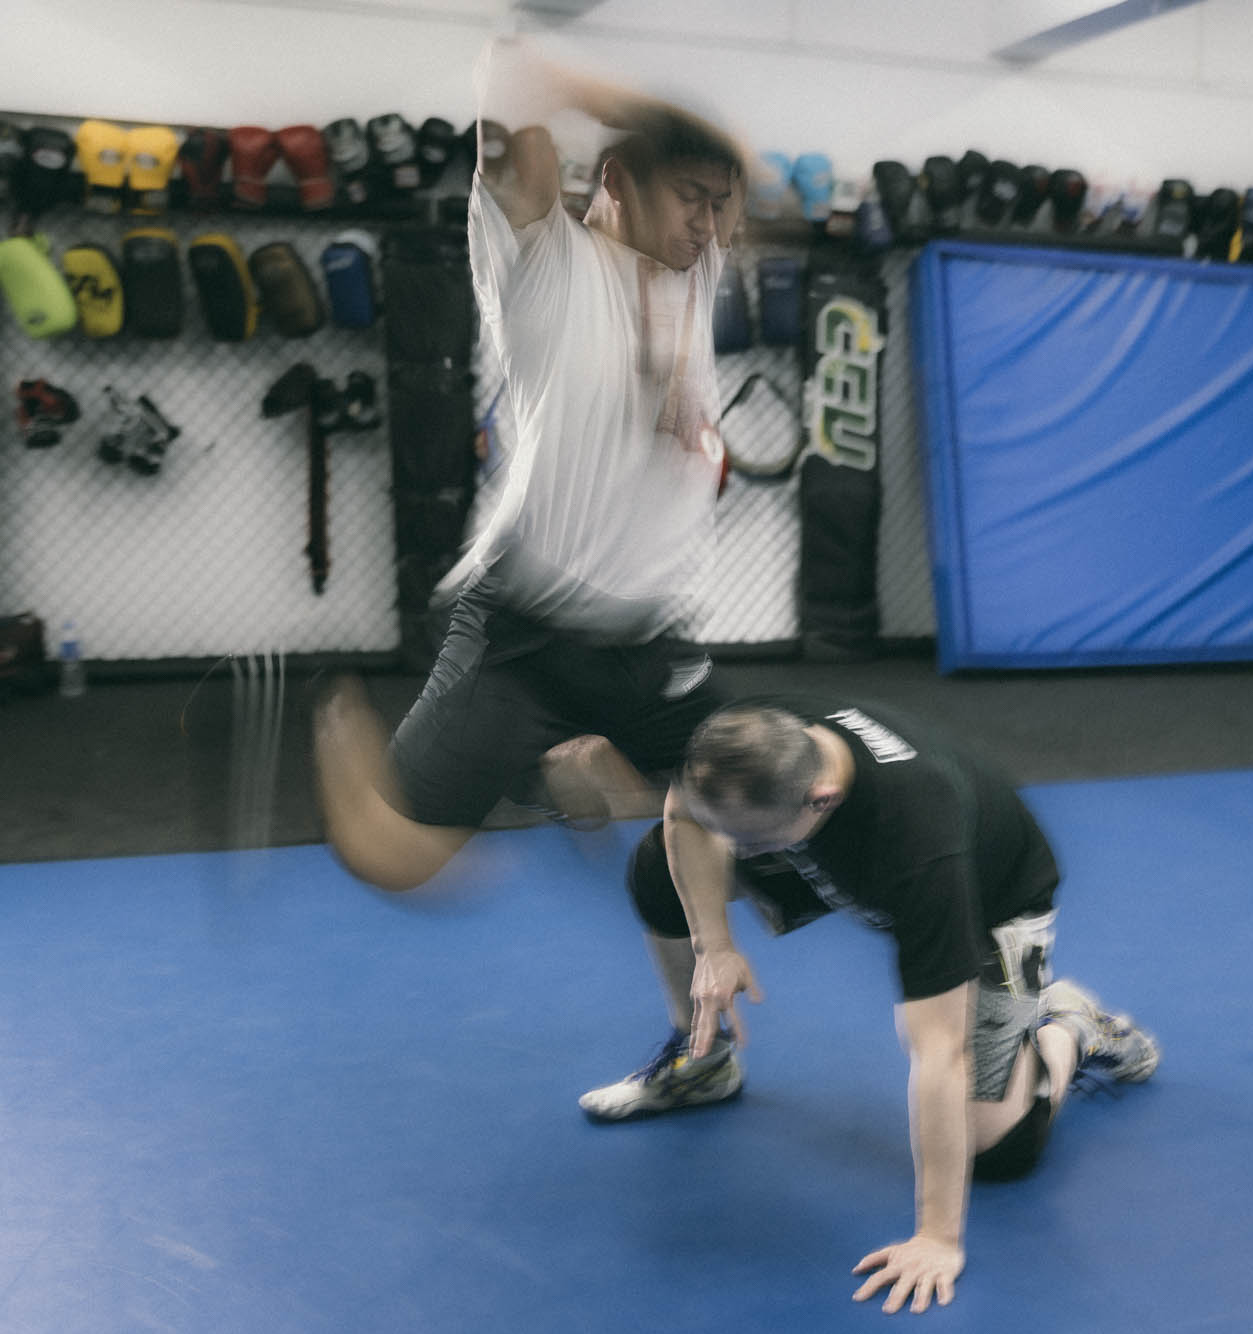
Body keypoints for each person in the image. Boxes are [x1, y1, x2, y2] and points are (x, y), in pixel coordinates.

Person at [314, 39, 749, 890]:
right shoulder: (544, 261)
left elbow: (738, 170)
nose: (709, 224)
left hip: (646, 638)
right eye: (689, 198)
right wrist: (646, 120)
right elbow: (509, 75)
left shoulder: (695, 267)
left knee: (761, 799)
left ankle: (566, 759)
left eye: (718, 205)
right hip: (527, 634)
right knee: (395, 860)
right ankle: (348, 727)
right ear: (618, 179)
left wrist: (694, 158)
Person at [587, 695, 1160, 1315]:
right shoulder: (745, 740)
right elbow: (685, 811)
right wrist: (714, 946)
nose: (734, 851)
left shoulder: (919, 844)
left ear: (821, 798)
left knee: (996, 1150)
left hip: (987, 900)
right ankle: (702, 1064)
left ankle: (1070, 1025)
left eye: (748, 841)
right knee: (661, 864)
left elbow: (940, 1053)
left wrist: (937, 1238)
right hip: (823, 843)